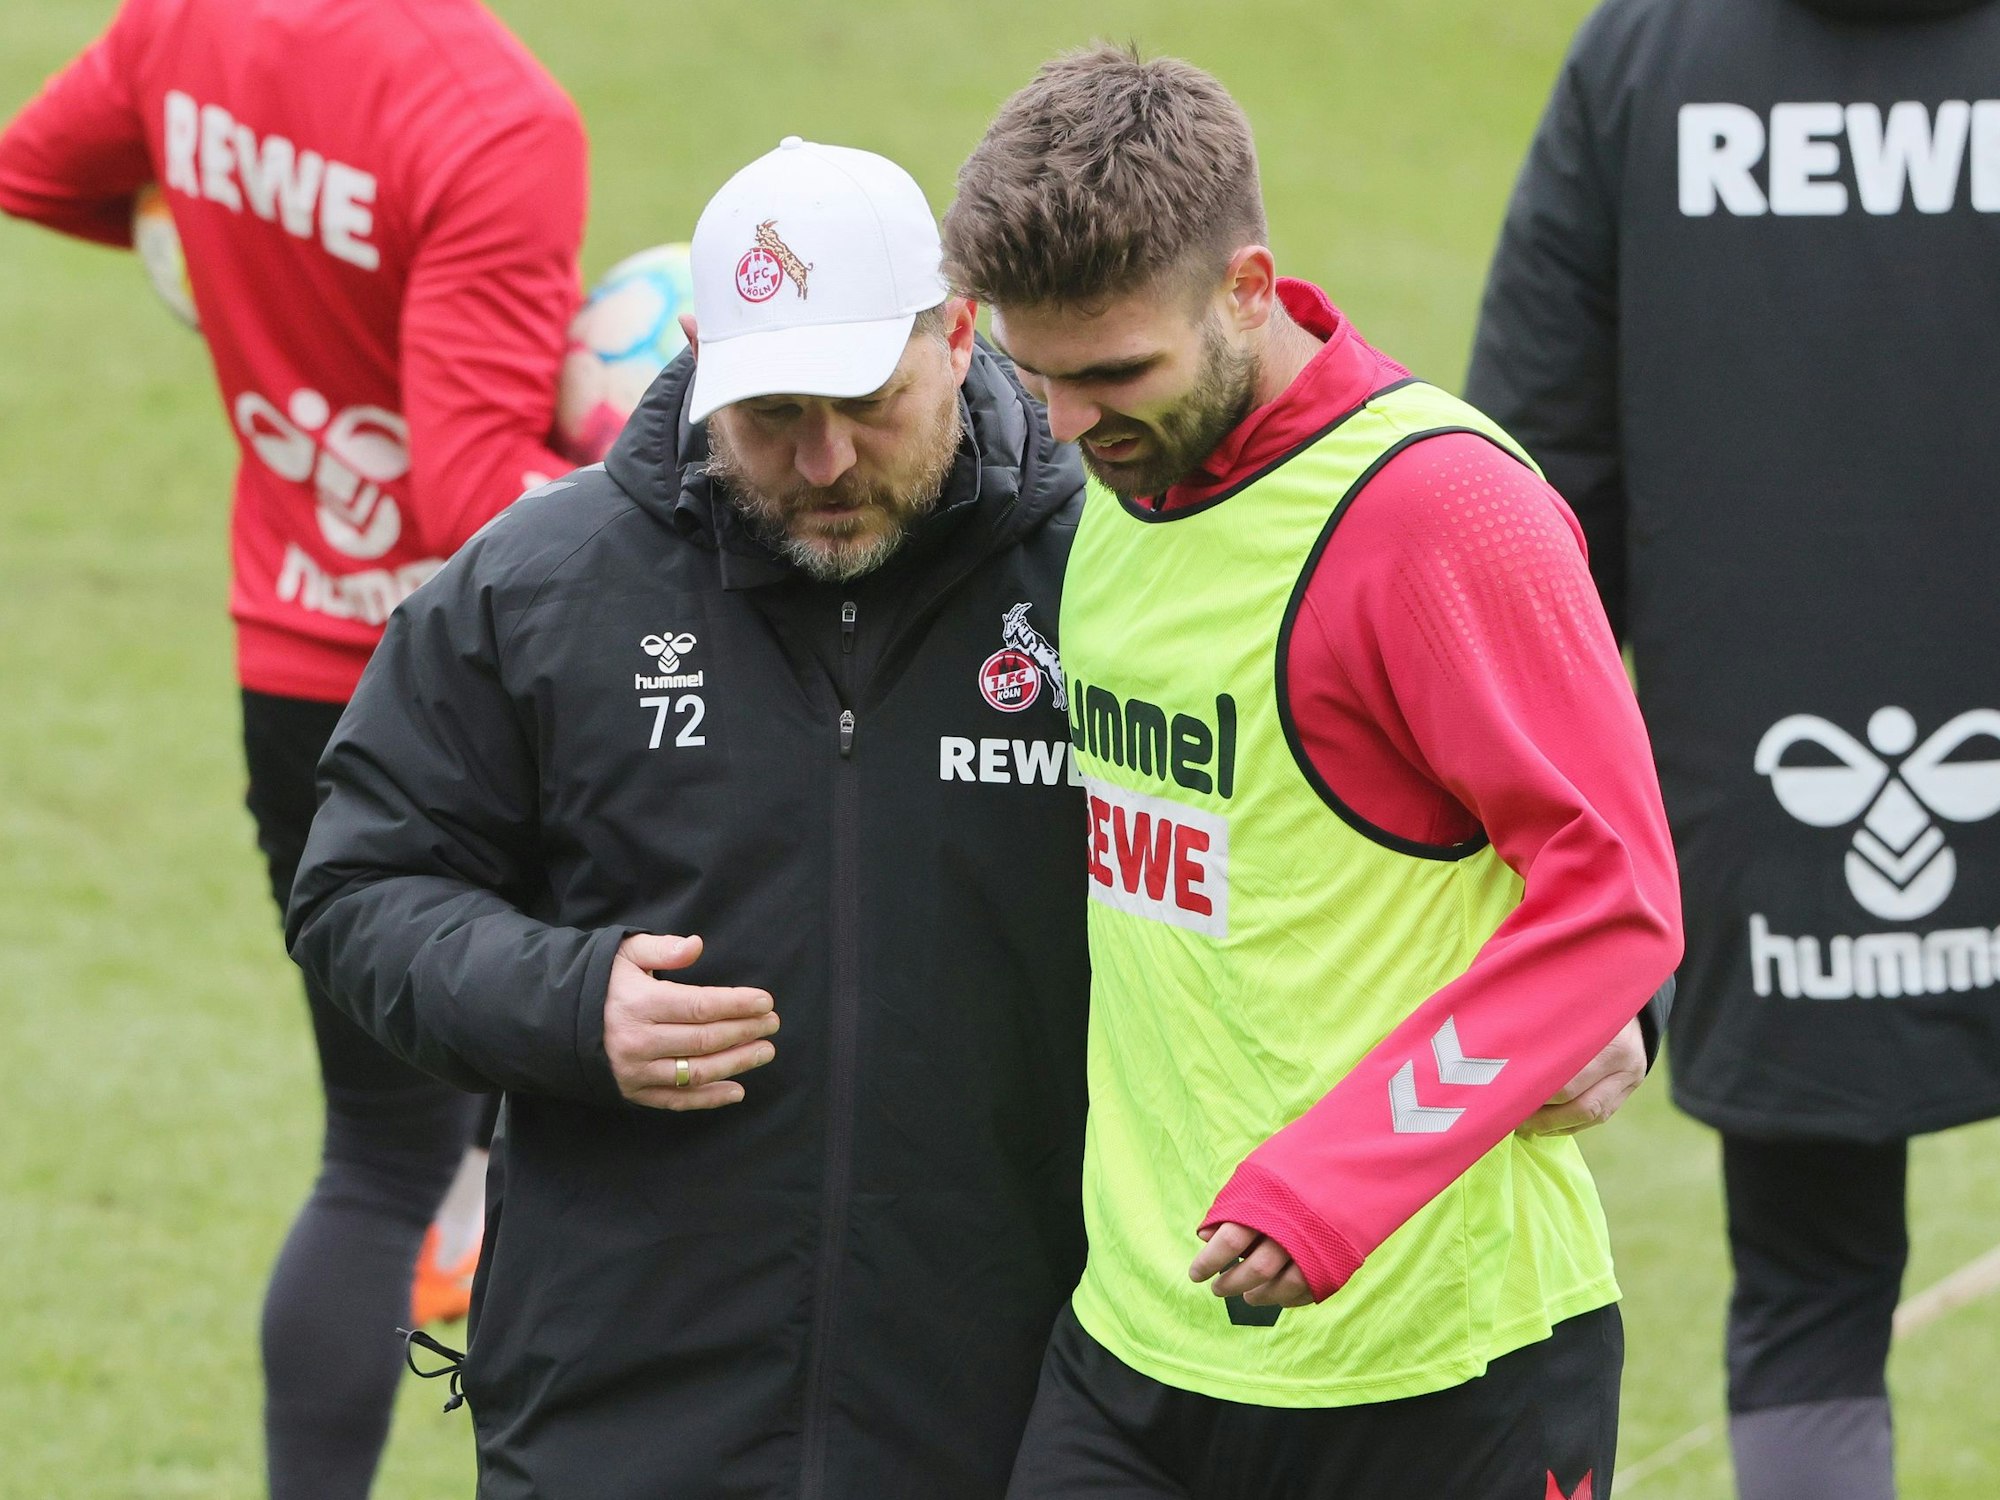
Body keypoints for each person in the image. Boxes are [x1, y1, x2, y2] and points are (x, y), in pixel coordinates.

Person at [285, 137, 1094, 1499]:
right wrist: (566, 998)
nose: (823, 460)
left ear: (958, 338)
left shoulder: (1114, 579)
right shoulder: (538, 588)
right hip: (620, 1408)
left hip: (1011, 1408)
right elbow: (360, 891)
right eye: (772, 413)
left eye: (864, 401)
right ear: (706, 355)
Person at [941, 46, 1685, 1498]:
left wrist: (1338, 1181)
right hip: (1136, 1346)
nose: (1071, 426)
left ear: (1249, 285)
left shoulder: (1442, 513)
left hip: (1431, 1366)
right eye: (1036, 377)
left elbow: (1616, 894)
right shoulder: (1114, 480)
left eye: (1114, 374)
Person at [0, 2, 586, 1493]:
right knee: (585, 1162)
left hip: (301, 679)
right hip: (495, 700)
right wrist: (665, 474)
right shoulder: (496, 117)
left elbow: (40, 167)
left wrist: (215, 242)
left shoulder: (186, 23)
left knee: (378, 1161)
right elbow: (466, 489)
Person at [1464, 1, 2000, 1495]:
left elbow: (1535, 496)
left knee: (1808, 1302)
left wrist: (1535, 855)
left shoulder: (1650, 55)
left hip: (1758, 798)